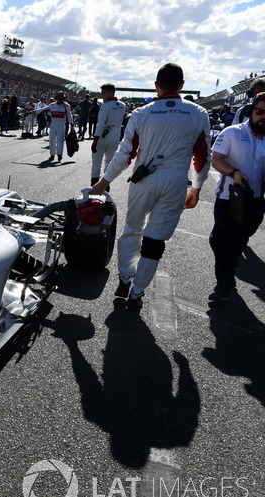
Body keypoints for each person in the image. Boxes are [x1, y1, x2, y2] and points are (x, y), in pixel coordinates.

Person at [90, 63, 211, 311]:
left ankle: (125, 276)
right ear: (182, 86)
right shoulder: (198, 113)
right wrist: (196, 188)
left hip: (144, 181)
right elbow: (203, 156)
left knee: (132, 228)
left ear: (156, 86)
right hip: (176, 182)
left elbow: (125, 154)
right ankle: (138, 291)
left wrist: (104, 181)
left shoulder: (142, 113)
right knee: (155, 239)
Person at [207, 91, 265, 302]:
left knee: (241, 238)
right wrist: (234, 173)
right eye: (260, 111)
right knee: (222, 241)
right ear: (252, 112)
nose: (263, 117)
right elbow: (216, 159)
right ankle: (224, 284)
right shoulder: (232, 133)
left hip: (257, 200)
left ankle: (230, 262)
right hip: (229, 197)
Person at [90, 84, 126, 189]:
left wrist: (95, 140)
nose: (102, 95)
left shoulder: (105, 105)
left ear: (111, 92)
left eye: (104, 92)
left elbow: (101, 124)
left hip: (102, 138)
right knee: (109, 162)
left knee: (96, 163)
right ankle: (106, 185)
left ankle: (94, 186)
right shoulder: (123, 105)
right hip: (115, 138)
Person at [37, 92, 74, 163]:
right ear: (56, 97)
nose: (60, 98)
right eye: (58, 96)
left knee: (60, 140)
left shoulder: (66, 106)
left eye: (61, 96)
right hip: (53, 124)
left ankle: (59, 154)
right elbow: (43, 109)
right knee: (52, 140)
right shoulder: (52, 105)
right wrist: (34, 111)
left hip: (61, 124)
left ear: (63, 98)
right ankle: (52, 154)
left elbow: (69, 115)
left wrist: (71, 124)